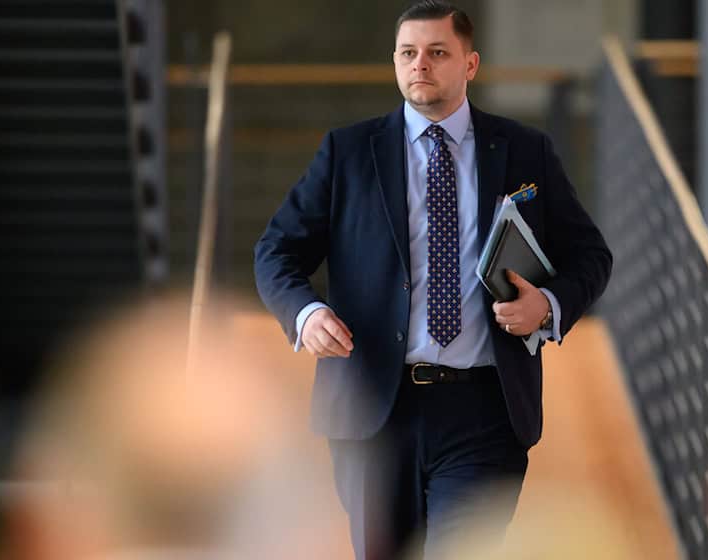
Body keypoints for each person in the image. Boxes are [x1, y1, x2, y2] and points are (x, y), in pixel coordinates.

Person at [254, 2, 612, 558]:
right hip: (373, 408)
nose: (420, 64)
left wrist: (547, 305)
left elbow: (589, 255)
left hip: (485, 410)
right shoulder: (348, 152)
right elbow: (276, 250)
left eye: (437, 52)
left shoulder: (524, 151)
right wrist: (307, 313)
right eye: (408, 53)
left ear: (470, 65)